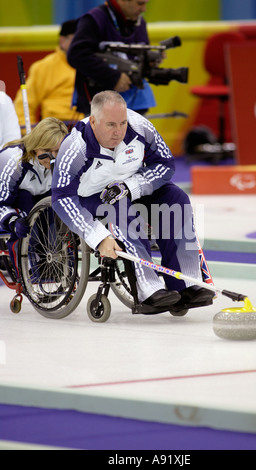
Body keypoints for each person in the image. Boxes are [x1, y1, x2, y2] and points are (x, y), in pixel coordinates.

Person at [52, 91, 214, 312]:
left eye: (122, 123)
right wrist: (98, 238)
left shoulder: (140, 127)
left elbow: (165, 165)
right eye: (110, 125)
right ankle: (148, 289)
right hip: (90, 197)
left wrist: (130, 186)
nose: (118, 131)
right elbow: (61, 198)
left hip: (130, 186)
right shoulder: (75, 147)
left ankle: (186, 283)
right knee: (118, 208)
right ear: (93, 121)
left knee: (176, 199)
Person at [0, 117, 68, 276]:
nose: (52, 157)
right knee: (26, 205)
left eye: (57, 151)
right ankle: (25, 267)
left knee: (53, 211)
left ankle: (56, 266)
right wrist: (12, 221)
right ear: (36, 145)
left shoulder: (64, 160)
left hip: (43, 199)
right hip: (13, 203)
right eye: (46, 151)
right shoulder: (12, 159)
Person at [67, 0, 156, 116]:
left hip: (136, 105)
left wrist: (149, 62)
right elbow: (76, 54)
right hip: (100, 107)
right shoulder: (94, 19)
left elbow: (140, 56)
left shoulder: (139, 22)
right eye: (140, 3)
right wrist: (113, 78)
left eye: (145, 4)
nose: (144, 9)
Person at [14, 20, 85, 131]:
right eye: (77, 38)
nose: (82, 43)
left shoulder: (95, 65)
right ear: (62, 41)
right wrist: (30, 136)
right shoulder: (43, 67)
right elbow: (24, 105)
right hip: (55, 130)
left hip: (88, 126)